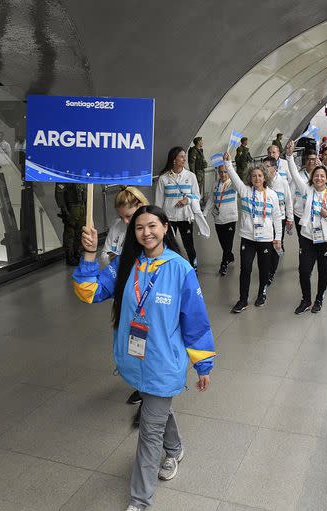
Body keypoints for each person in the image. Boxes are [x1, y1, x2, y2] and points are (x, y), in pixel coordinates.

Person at [72, 205, 215, 511]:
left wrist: (203, 364)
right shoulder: (125, 265)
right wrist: (89, 255)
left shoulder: (180, 269)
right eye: (139, 228)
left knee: (149, 433)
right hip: (136, 360)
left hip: (164, 363)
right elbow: (88, 291)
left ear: (165, 227)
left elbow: (196, 320)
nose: (146, 232)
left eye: (152, 226)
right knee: (156, 408)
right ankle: (175, 448)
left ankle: (140, 501)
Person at [223, 154, 283, 312]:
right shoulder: (245, 191)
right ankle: (243, 300)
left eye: (260, 175)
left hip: (266, 238)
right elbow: (233, 175)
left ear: (264, 178)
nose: (257, 178)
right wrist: (228, 162)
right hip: (248, 238)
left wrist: (278, 238)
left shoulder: (272, 195)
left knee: (264, 269)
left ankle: (262, 293)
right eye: (254, 176)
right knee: (246, 268)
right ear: (250, 178)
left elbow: (277, 217)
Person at [287, 160, 327, 314]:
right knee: (304, 270)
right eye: (316, 176)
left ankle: (319, 299)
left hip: (326, 240)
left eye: (322, 176)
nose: (319, 178)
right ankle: (306, 300)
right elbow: (294, 174)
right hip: (307, 238)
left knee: (323, 270)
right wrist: (290, 156)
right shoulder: (307, 190)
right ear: (312, 178)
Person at [155, 147, 200, 270]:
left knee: (189, 245)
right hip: (169, 218)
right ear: (174, 159)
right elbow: (158, 202)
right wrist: (159, 221)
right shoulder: (164, 178)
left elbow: (197, 195)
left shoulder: (191, 176)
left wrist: (187, 200)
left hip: (186, 217)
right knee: (169, 246)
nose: (184, 159)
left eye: (184, 156)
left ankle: (193, 268)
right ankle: (171, 269)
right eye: (181, 156)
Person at [262, 156, 294, 285]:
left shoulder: (283, 182)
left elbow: (288, 201)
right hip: (266, 219)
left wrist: (290, 218)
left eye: (266, 167)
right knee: (266, 245)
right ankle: (266, 268)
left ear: (274, 168)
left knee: (275, 244)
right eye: (262, 166)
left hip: (279, 218)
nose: (263, 169)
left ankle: (271, 272)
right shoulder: (262, 182)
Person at [202, 161, 238, 276]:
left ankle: (223, 264)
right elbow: (211, 200)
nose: (223, 175)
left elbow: (239, 185)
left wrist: (230, 168)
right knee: (223, 242)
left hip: (230, 218)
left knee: (228, 243)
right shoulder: (215, 184)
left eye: (225, 172)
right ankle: (230, 256)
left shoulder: (233, 183)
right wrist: (204, 213)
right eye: (221, 172)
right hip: (218, 218)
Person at [55, 183, 86, 265]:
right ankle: (70, 256)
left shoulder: (78, 175)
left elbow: (84, 191)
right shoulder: (63, 177)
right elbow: (59, 196)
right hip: (71, 208)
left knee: (80, 232)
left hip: (81, 207)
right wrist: (65, 212)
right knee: (70, 234)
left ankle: (77, 254)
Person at [291, 150, 318, 239]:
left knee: (316, 240)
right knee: (302, 240)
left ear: (317, 160)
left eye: (313, 159)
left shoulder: (320, 176)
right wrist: (290, 216)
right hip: (300, 214)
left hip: (316, 214)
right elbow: (291, 196)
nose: (311, 161)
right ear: (304, 160)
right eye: (308, 159)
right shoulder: (298, 176)